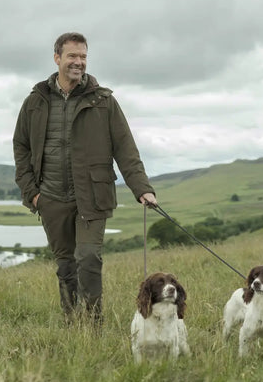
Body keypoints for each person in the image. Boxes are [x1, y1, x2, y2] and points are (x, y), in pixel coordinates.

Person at [13, 32, 157, 323]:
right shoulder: (35, 102)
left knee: (89, 258)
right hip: (50, 198)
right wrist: (32, 194)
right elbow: (21, 147)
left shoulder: (103, 101)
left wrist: (142, 188)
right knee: (66, 265)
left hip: (92, 196)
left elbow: (125, 147)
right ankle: (72, 321)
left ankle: (92, 324)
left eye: (83, 56)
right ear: (57, 58)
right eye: (72, 56)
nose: (78, 62)